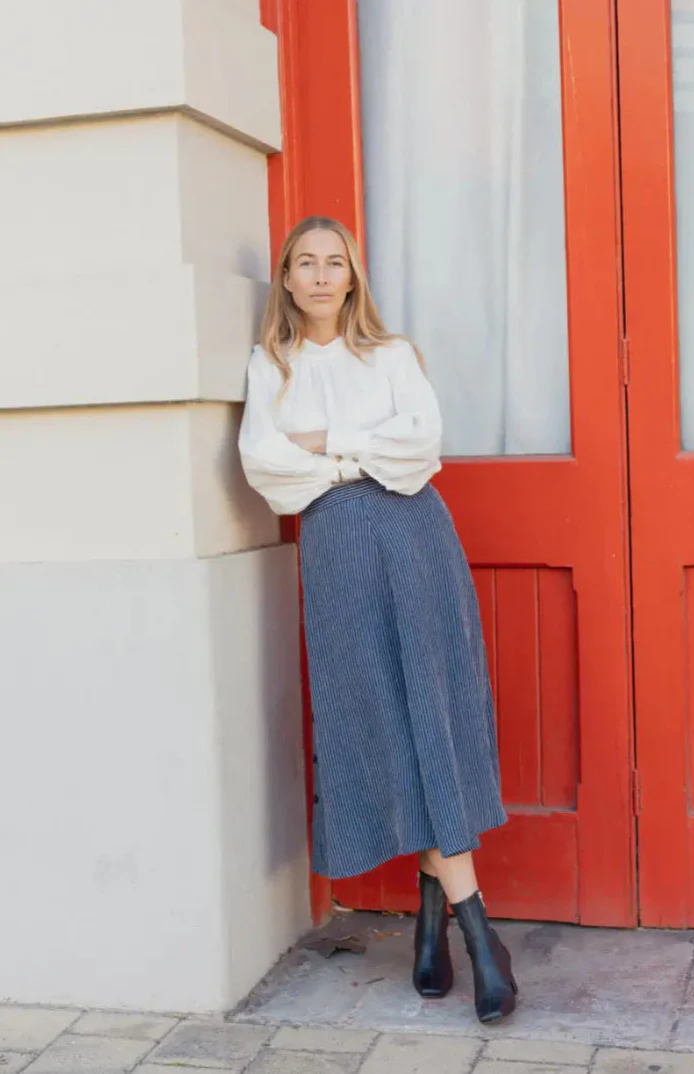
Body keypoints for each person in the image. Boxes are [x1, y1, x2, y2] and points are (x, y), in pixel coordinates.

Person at [239, 216, 518, 1024]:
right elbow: (266, 463)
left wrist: (328, 447)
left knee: (433, 710)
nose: (322, 276)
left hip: (417, 537)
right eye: (306, 264)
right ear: (287, 280)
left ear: (353, 278)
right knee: (384, 722)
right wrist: (362, 452)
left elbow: (421, 446)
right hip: (338, 558)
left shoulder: (392, 356)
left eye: (336, 263)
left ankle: (468, 935)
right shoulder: (273, 364)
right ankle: (455, 929)